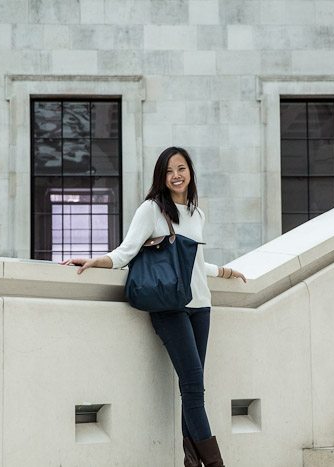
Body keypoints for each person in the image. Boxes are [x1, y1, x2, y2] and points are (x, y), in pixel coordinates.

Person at [62, 146, 246, 467]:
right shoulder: (151, 209)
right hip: (168, 307)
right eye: (169, 171)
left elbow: (192, 262)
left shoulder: (197, 213)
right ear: (161, 177)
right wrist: (96, 261)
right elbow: (125, 252)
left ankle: (192, 463)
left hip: (201, 306)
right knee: (193, 389)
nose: (176, 176)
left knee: (192, 390)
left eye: (181, 169)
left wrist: (224, 271)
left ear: (190, 173)